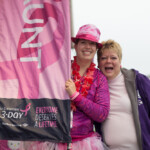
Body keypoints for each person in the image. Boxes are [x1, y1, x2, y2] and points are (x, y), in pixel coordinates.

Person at [57, 24, 110, 150]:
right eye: (83, 42)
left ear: (96, 48)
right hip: (54, 138)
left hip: (84, 143)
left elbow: (102, 114)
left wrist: (76, 96)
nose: (87, 47)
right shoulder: (61, 69)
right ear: (75, 46)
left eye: (92, 44)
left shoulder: (99, 78)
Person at [96, 39, 150, 150]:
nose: (108, 61)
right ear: (98, 63)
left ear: (120, 61)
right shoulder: (94, 87)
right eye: (104, 58)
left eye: (113, 58)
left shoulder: (138, 80)